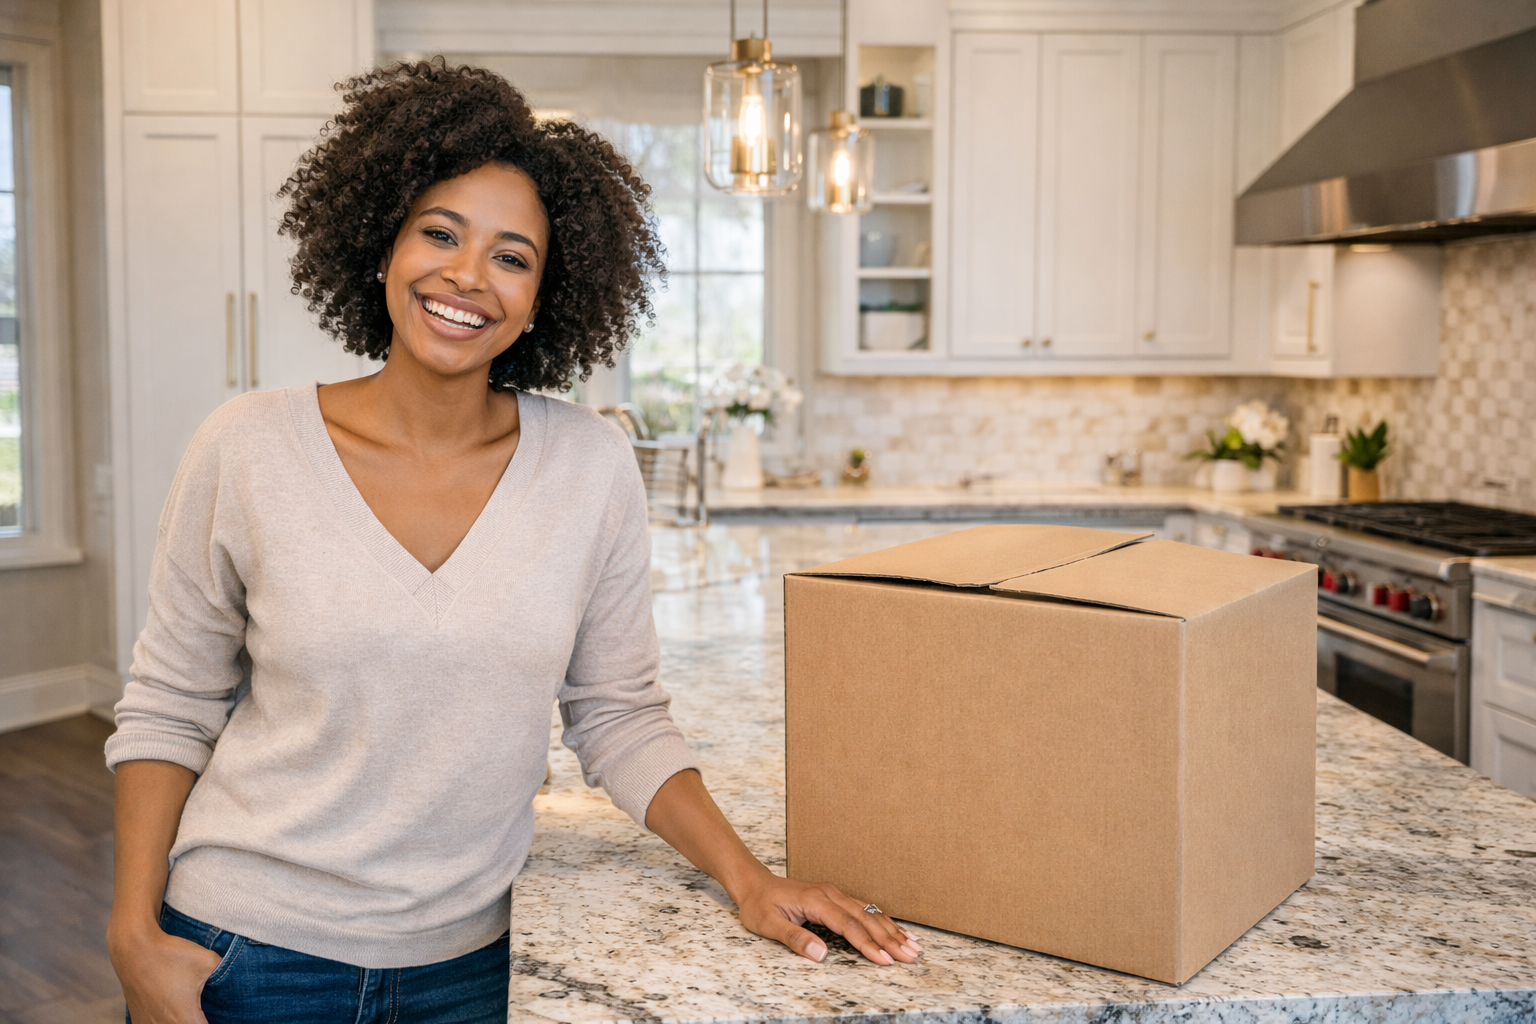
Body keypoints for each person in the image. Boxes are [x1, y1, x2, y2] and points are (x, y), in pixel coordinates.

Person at [104, 59, 920, 1024]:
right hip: (243, 950)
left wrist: (749, 878)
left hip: (467, 967)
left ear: (545, 296)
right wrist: (131, 936)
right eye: (439, 234)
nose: (466, 276)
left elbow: (617, 713)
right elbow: (170, 703)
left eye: (511, 255)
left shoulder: (589, 466)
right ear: (381, 248)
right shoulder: (247, 446)